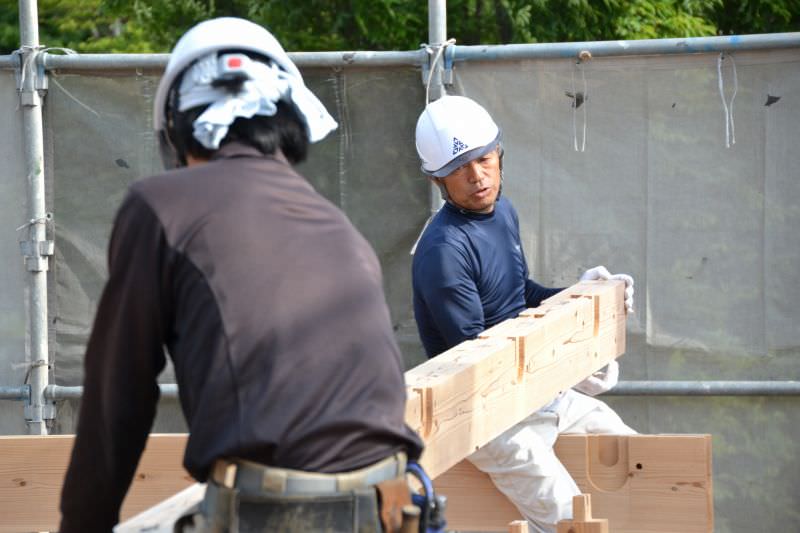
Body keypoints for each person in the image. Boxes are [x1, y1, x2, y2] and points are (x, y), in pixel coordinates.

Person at [59, 17, 423, 533]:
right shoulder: (334, 222)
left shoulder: (161, 204)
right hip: (392, 506)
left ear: (176, 128)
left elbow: (117, 399)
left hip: (276, 513)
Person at [411, 95, 636, 533]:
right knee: (571, 517)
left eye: (483, 159)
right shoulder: (443, 251)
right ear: (438, 179)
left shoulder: (502, 212)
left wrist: (581, 299)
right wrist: (566, 364)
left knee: (635, 459)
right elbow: (477, 358)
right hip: (482, 417)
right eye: (459, 168)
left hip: (534, 391)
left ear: (498, 154)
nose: (476, 176)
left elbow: (521, 296)